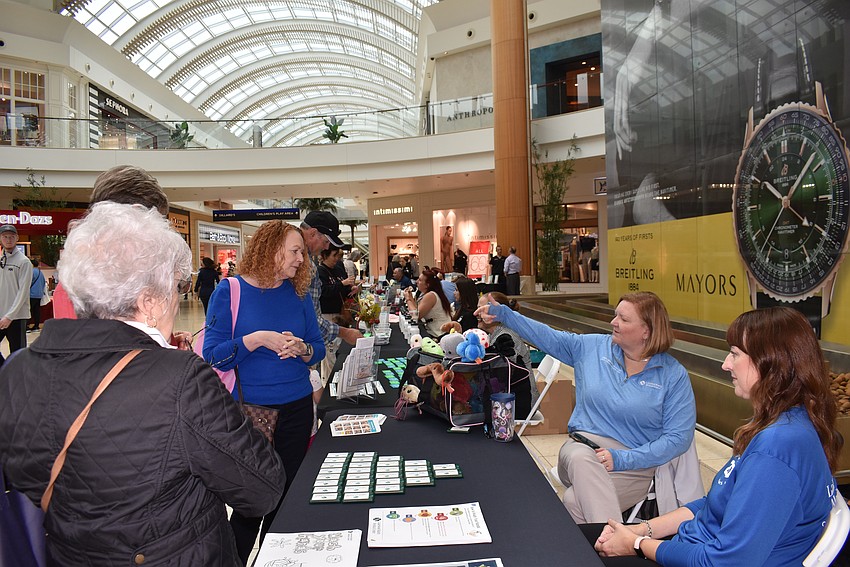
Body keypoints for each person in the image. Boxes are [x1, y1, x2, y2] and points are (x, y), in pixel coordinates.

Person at [0, 203, 285, 565]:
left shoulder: (16, 370)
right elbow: (262, 489)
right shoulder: (180, 379)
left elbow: (28, 476)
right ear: (148, 301)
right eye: (175, 289)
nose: (177, 300)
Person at [592, 307, 841, 566]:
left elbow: (725, 561)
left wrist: (637, 546)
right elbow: (714, 504)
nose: (725, 364)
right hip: (694, 546)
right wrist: (641, 530)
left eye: (735, 354)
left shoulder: (776, 448)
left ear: (772, 361)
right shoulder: (792, 422)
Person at [475, 291, 695, 524]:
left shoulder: (672, 375)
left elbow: (678, 438)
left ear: (646, 331)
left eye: (623, 319)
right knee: (581, 458)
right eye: (615, 315)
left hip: (635, 467)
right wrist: (506, 315)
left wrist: (623, 459)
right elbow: (546, 337)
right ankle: (617, 543)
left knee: (573, 501)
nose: (613, 322)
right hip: (581, 448)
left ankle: (598, 548)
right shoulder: (591, 348)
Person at [202, 220, 325, 564]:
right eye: (295, 251)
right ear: (272, 250)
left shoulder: (297, 294)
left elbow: (318, 348)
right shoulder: (230, 291)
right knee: (251, 503)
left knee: (288, 498)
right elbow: (213, 354)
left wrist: (302, 349)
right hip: (252, 414)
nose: (302, 259)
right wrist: (255, 340)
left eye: (302, 251)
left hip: (298, 408)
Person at [301, 211, 363, 384]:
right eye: (326, 242)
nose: (326, 248)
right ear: (312, 233)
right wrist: (344, 333)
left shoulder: (308, 266)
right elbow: (310, 319)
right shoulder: (308, 268)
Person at [474, 292, 538, 405]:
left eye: (482, 310)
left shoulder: (507, 338)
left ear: (496, 313)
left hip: (520, 402)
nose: (477, 314)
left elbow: (501, 375)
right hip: (509, 395)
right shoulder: (493, 335)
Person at [0, 224, 32, 366]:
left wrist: (10, 316)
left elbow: (23, 292)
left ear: (17, 238)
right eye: (5, 236)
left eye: (12, 237)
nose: (8, 239)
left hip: (16, 317)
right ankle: (5, 372)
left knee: (17, 355)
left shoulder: (24, 262)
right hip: (1, 315)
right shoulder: (1, 260)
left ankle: (18, 383)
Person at [404, 269, 452, 338]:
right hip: (437, 331)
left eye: (420, 280)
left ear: (427, 285)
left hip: (439, 333)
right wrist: (411, 298)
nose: (417, 282)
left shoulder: (431, 295)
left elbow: (416, 316)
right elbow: (418, 309)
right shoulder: (428, 294)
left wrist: (408, 299)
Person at [28, 257, 46, 332]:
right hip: (39, 294)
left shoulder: (31, 272)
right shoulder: (40, 273)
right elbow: (43, 283)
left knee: (29, 310)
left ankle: (27, 326)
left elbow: (28, 283)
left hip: (31, 294)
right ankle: (36, 326)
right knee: (37, 311)